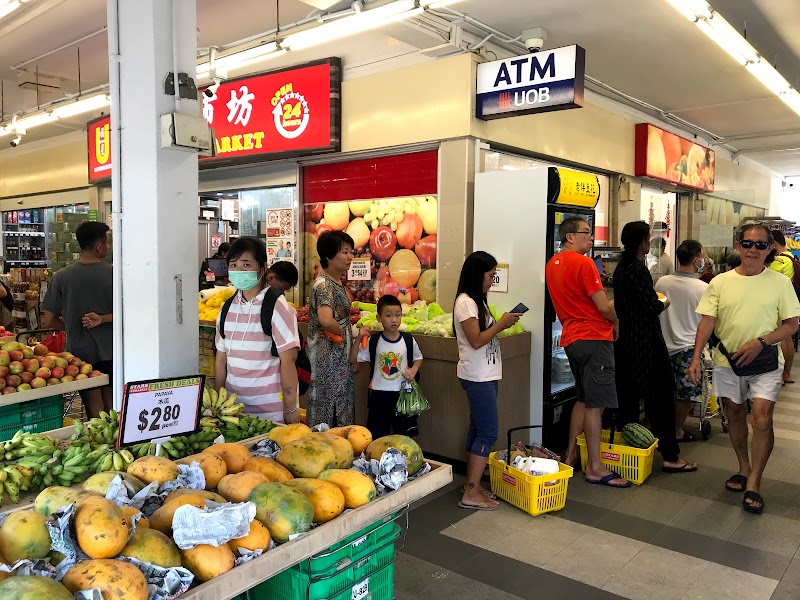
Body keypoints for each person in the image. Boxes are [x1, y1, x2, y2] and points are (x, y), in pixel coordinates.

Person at [688, 224, 800, 514]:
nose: (753, 250)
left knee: (762, 419)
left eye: (761, 245)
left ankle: (755, 482)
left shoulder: (779, 283)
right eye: (748, 244)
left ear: (770, 249)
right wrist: (696, 357)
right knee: (735, 413)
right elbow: (707, 321)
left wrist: (761, 342)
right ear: (739, 246)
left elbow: (792, 324)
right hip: (727, 361)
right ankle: (743, 467)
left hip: (764, 363)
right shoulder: (720, 282)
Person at [545, 216, 629, 488]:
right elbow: (604, 307)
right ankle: (594, 467)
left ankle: (570, 455)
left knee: (582, 398)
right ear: (570, 236)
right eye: (586, 232)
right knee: (596, 404)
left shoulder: (552, 264)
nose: (591, 237)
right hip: (594, 337)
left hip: (572, 339)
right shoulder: (584, 263)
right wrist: (617, 320)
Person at [614, 221, 697, 473]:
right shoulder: (637, 270)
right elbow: (650, 306)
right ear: (642, 243)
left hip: (626, 342)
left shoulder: (621, 268)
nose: (650, 242)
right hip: (646, 343)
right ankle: (670, 456)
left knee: (628, 400)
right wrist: (663, 303)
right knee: (661, 397)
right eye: (648, 238)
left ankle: (627, 453)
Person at [454, 251, 522, 511]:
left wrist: (501, 322)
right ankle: (471, 492)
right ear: (477, 274)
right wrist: (502, 323)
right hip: (477, 376)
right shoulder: (465, 303)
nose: (492, 280)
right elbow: (476, 339)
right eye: (491, 275)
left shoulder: (476, 301)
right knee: (488, 431)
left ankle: (472, 484)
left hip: (486, 374)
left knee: (477, 427)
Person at [214, 237, 301, 424]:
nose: (238, 270)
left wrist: (291, 408)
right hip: (233, 414)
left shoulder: (276, 305)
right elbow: (221, 360)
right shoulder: (226, 309)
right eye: (234, 265)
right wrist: (217, 407)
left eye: (246, 264)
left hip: (270, 415)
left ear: (262, 269)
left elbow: (289, 359)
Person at [42, 222, 113, 419]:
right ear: (99, 245)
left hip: (80, 352)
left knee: (94, 406)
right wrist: (104, 319)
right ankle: (116, 444)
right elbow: (131, 313)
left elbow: (48, 320)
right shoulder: (116, 275)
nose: (108, 247)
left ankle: (100, 444)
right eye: (107, 243)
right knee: (112, 404)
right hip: (113, 350)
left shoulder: (62, 277)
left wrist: (70, 326)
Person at [655, 240, 708, 442]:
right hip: (689, 349)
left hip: (663, 345)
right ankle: (677, 430)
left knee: (662, 392)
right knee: (685, 394)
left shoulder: (662, 282)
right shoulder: (702, 288)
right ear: (696, 260)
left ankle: (659, 428)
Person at [350, 294, 423, 438]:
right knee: (377, 436)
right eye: (388, 315)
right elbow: (353, 359)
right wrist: (359, 338)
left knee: (404, 436)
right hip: (379, 395)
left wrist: (414, 370)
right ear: (378, 318)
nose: (394, 320)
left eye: (398, 315)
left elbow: (419, 358)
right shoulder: (374, 341)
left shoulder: (408, 340)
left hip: (403, 394)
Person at [306, 231, 355, 427]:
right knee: (327, 411)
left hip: (338, 360)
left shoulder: (335, 282)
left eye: (351, 252)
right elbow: (326, 320)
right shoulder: (324, 285)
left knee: (338, 406)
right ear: (328, 256)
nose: (350, 257)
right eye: (345, 252)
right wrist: (344, 332)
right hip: (327, 361)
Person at [769, 230, 796, 384]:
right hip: (788, 300)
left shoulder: (779, 260)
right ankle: (787, 374)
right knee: (788, 338)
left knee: (782, 338)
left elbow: (766, 278)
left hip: (776, 301)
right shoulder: (791, 256)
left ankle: (783, 374)